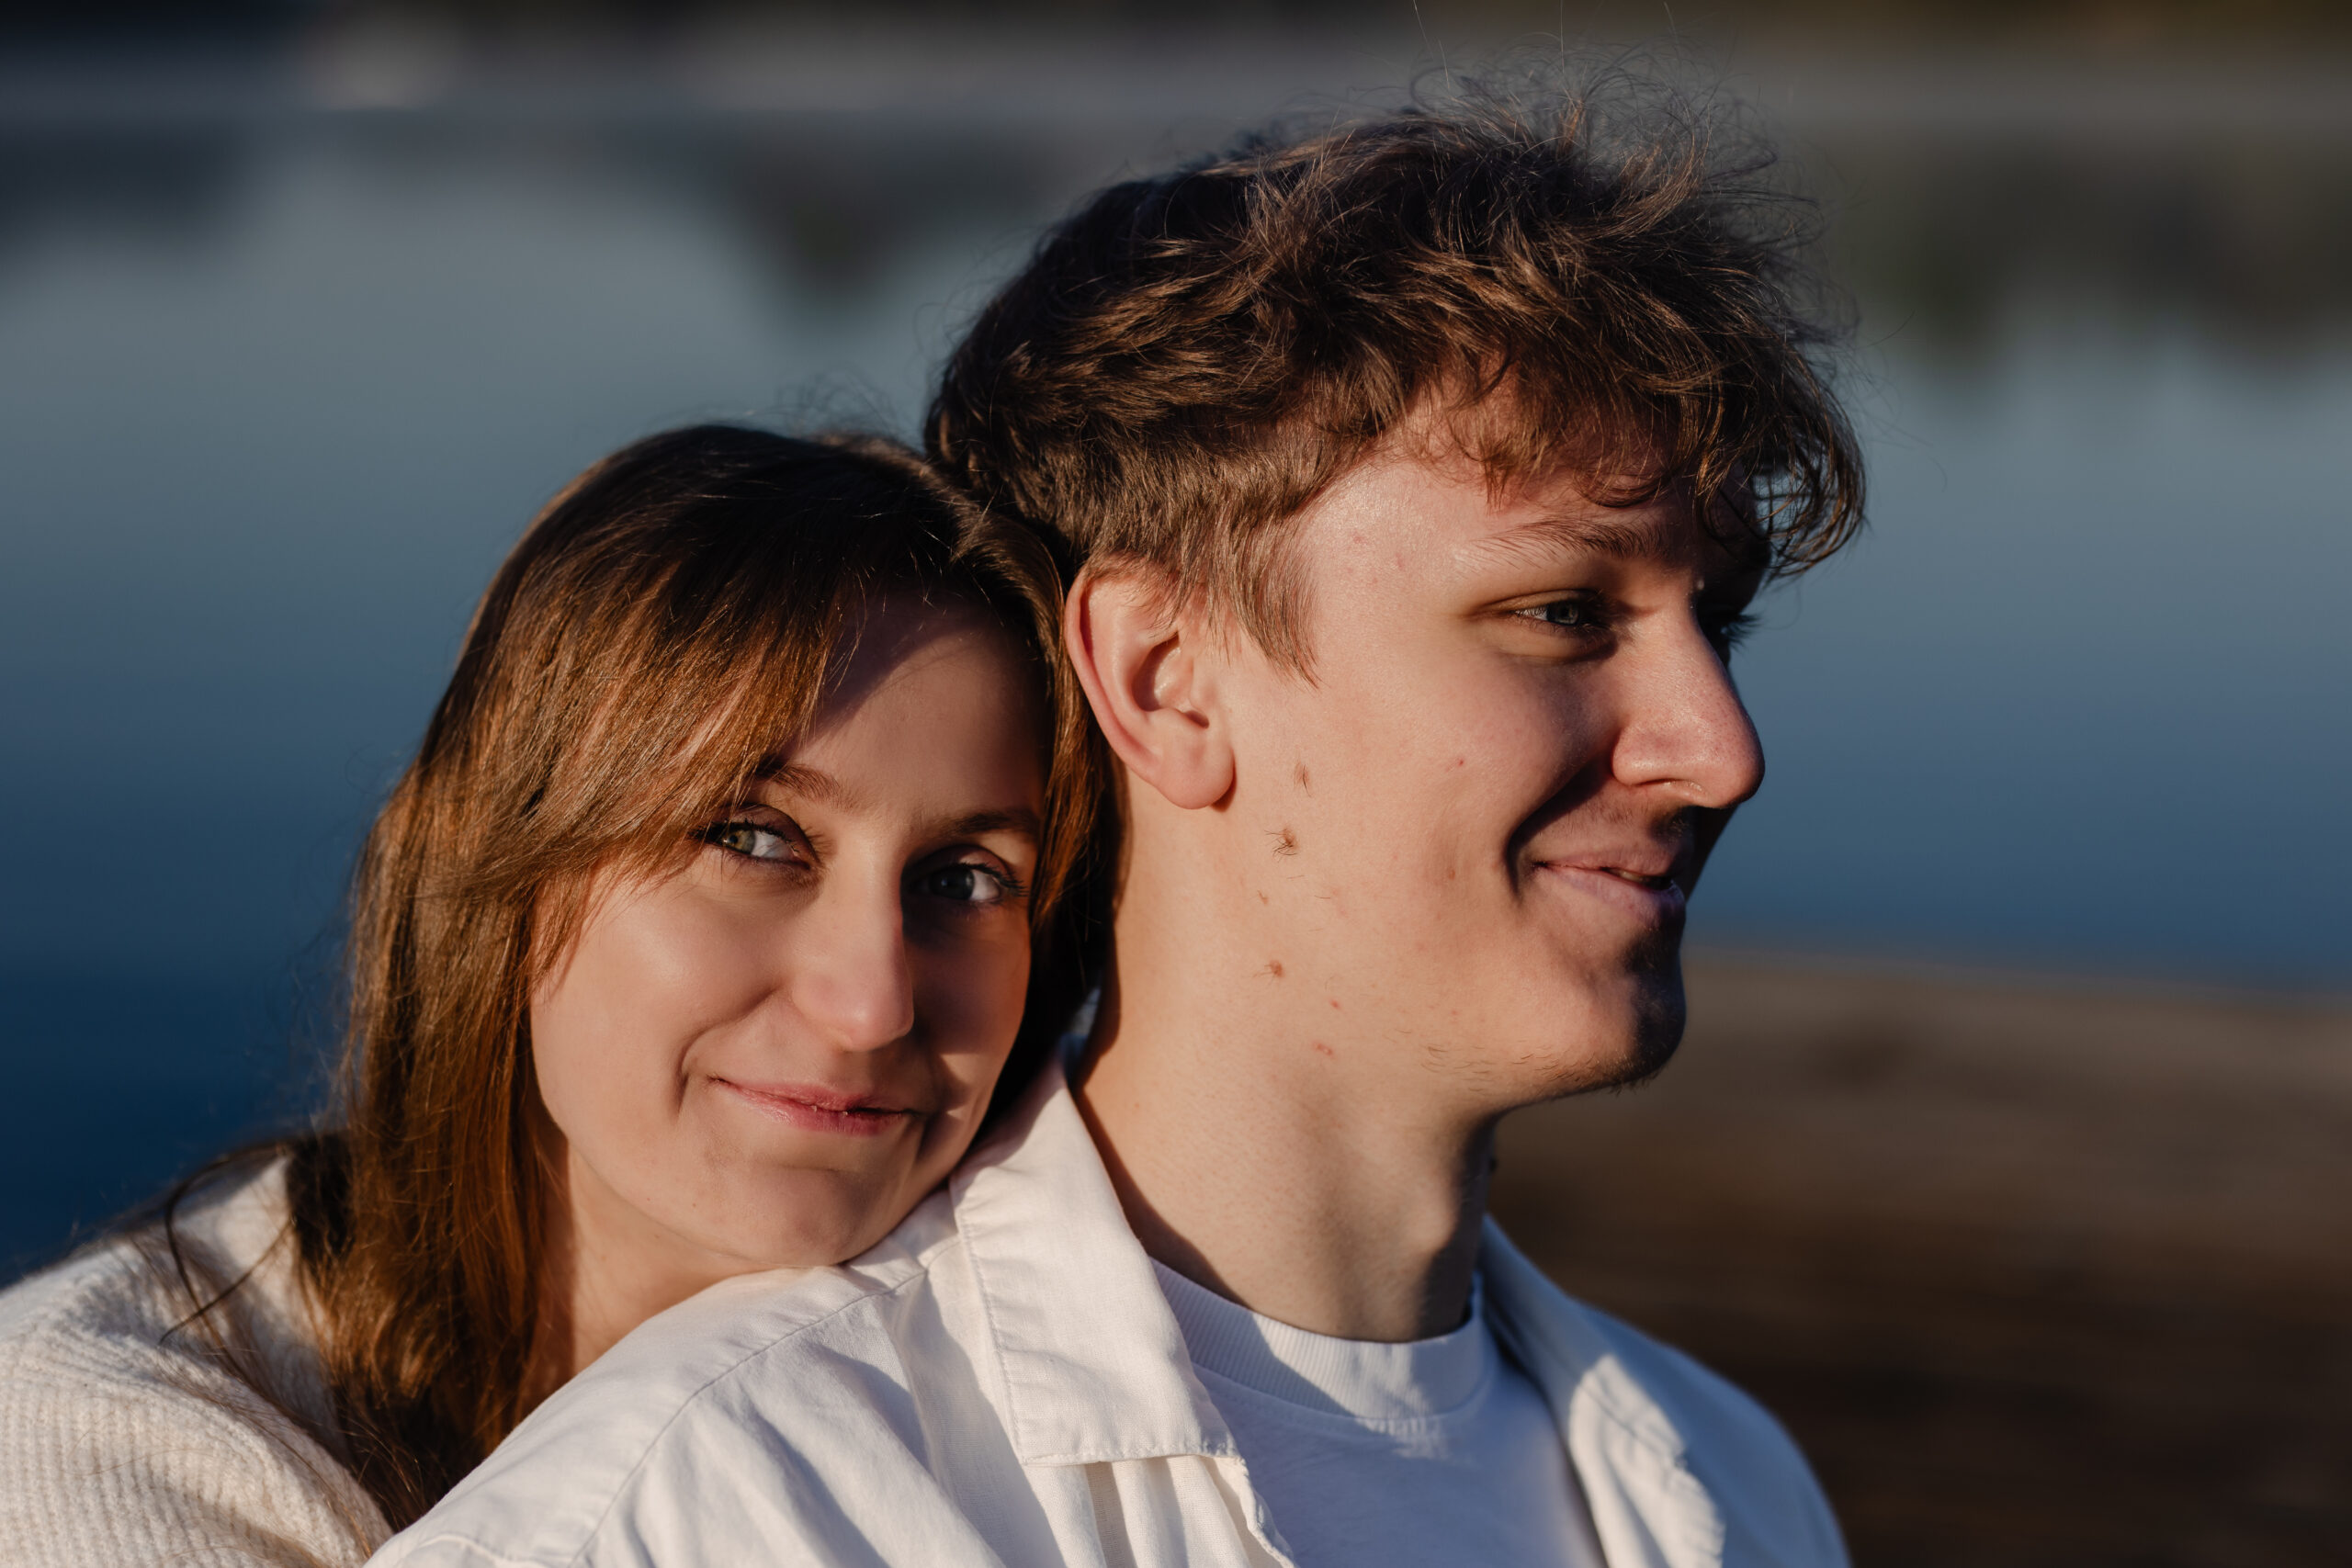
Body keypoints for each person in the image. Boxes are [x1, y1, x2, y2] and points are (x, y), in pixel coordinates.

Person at [375, 73, 1865, 1568]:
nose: (1720, 751)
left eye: (1718, 625)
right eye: (1562, 612)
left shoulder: (1726, 1484)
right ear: (1167, 678)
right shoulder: (713, 1512)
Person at [0, 426, 1103, 1568]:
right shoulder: (105, 1451)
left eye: (966, 879)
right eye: (752, 837)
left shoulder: (1081, 1395)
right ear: (507, 863)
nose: (870, 1004)